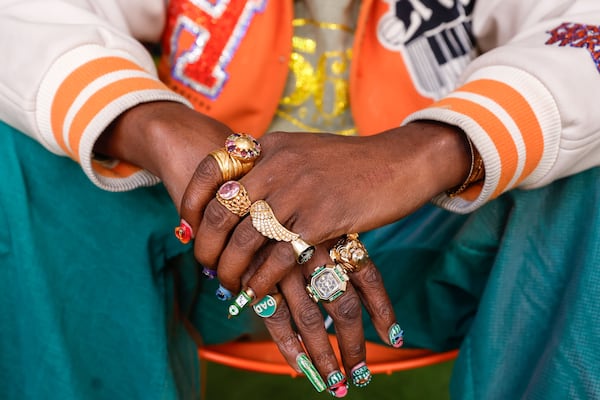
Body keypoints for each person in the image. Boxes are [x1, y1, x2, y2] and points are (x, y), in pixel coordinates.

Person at [2, 0, 600, 399]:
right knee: (28, 146)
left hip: (428, 233)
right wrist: (150, 122)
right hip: (201, 234)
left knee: (584, 165)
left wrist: (433, 150)